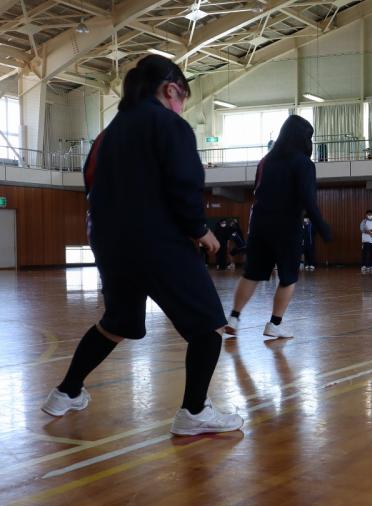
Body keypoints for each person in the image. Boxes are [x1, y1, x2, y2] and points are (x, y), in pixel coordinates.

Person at [40, 55, 243, 436]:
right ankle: (194, 412)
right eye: (182, 98)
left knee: (118, 322)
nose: (181, 107)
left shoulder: (108, 134)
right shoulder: (169, 125)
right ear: (171, 90)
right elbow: (184, 182)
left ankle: (66, 392)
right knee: (209, 326)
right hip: (157, 240)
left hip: (109, 242)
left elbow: (90, 183)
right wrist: (199, 229)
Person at [224, 116, 332, 339]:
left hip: (260, 224)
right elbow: (308, 199)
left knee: (251, 273)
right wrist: (322, 226)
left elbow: (257, 190)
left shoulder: (266, 160)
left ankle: (233, 318)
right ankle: (274, 324)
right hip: (286, 226)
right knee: (288, 277)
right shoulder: (303, 163)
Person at [360, 209, 372, 274]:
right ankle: (364, 266)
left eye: (371, 214)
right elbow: (362, 229)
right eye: (369, 214)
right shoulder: (364, 221)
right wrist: (369, 232)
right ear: (366, 215)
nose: (370, 215)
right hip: (366, 240)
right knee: (365, 253)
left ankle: (371, 266)